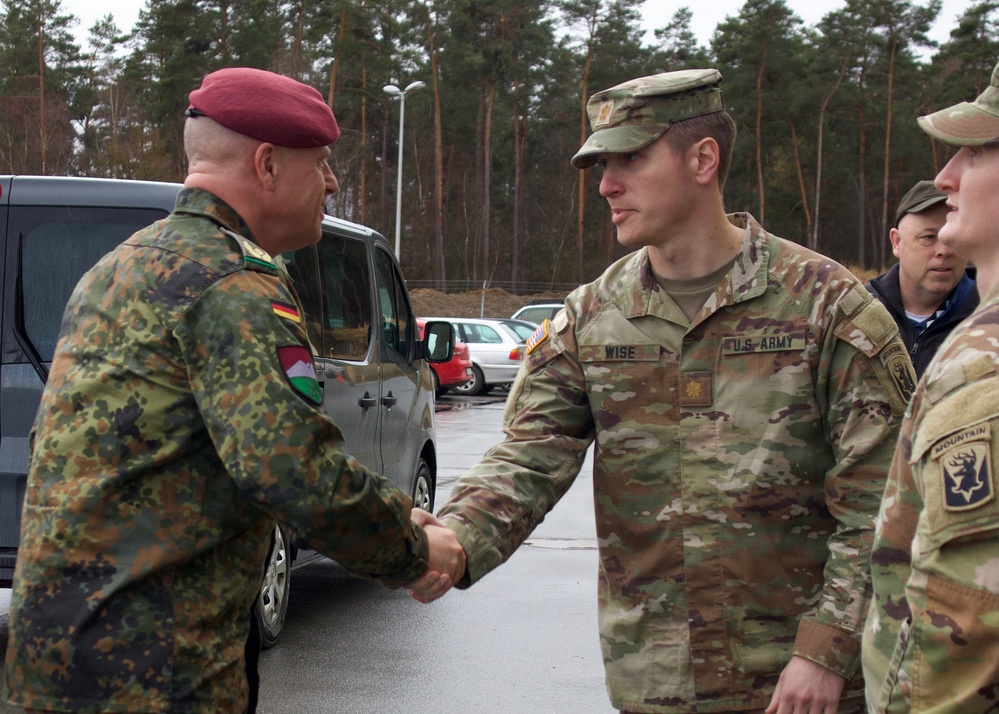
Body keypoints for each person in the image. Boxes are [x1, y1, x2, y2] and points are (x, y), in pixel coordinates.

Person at [412, 69, 914, 714]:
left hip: (804, 685)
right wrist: (456, 536)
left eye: (630, 159)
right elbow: (531, 454)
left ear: (703, 158)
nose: (606, 185)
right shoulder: (593, 315)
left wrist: (826, 648)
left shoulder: (824, 305)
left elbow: (884, 499)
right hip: (656, 678)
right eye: (601, 165)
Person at [2, 67, 463, 713]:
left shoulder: (118, 267)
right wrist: (413, 549)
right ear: (269, 165)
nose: (332, 182)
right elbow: (289, 467)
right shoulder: (232, 285)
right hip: (153, 669)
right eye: (323, 163)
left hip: (56, 655)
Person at [863, 59, 999, 712]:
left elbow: (964, 627)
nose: (945, 179)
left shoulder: (984, 364)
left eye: (972, 153)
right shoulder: (859, 315)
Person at [865, 179, 978, 378]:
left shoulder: (988, 314)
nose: (944, 250)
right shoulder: (858, 313)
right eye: (928, 237)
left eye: (953, 237)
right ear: (897, 242)